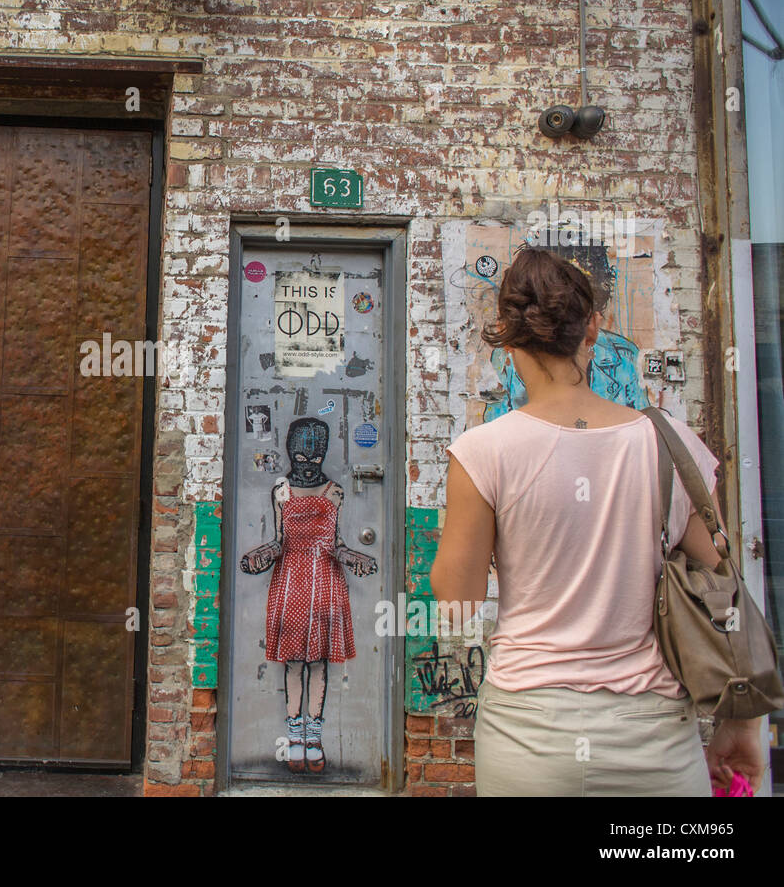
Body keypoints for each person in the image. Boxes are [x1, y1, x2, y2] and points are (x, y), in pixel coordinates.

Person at [433, 246, 767, 796]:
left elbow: (456, 601)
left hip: (530, 737)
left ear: (506, 335)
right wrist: (743, 724)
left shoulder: (482, 451)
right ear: (593, 328)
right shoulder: (671, 444)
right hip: (655, 741)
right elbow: (727, 595)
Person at [240, 417, 377, 774]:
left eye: (314, 454)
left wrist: (355, 558)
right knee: (293, 662)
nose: (307, 461)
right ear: (291, 449)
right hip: (290, 582)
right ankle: (294, 734)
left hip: (325, 583)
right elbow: (279, 541)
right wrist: (261, 556)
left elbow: (337, 544)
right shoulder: (281, 490)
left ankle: (313, 736)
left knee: (317, 663)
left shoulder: (334, 492)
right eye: (302, 452)